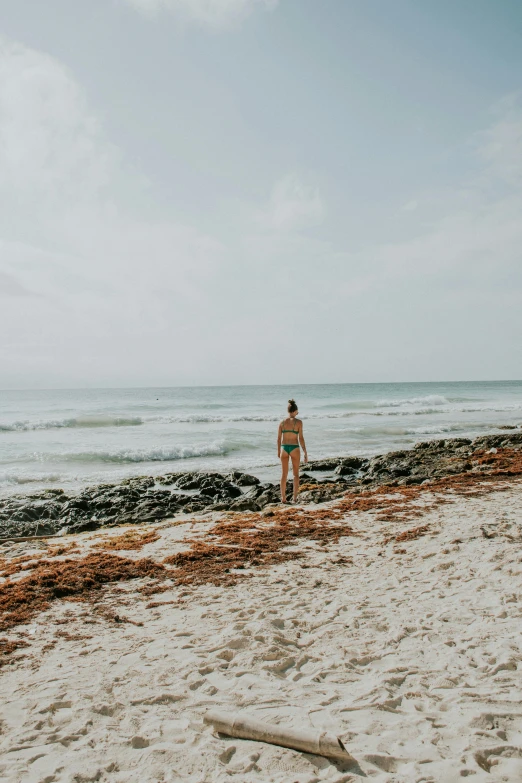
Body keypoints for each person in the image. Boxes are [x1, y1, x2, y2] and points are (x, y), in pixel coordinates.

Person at [277, 399, 308, 504]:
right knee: (295, 475)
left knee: (284, 474)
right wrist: (305, 452)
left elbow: (278, 439)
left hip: (284, 448)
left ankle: (283, 498)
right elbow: (301, 438)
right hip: (294, 448)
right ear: (295, 411)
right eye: (297, 412)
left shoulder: (282, 423)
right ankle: (294, 498)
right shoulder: (299, 422)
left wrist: (278, 451)